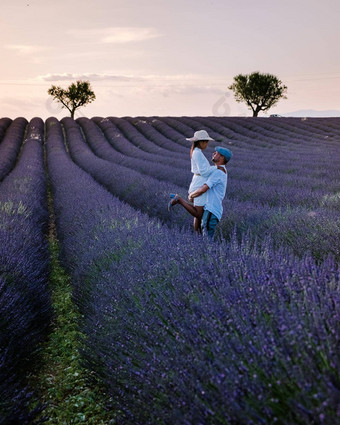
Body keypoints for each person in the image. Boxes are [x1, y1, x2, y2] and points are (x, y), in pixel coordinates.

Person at [169, 146, 232, 239]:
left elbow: (203, 189)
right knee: (201, 233)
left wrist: (191, 195)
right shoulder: (217, 170)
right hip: (209, 208)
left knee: (207, 240)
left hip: (212, 209)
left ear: (222, 157)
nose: (213, 154)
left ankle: (179, 200)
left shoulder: (218, 172)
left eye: (216, 153)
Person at [169, 129, 216, 233]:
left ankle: (197, 238)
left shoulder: (196, 152)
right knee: (199, 214)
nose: (207, 144)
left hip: (198, 182)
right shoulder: (197, 153)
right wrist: (216, 168)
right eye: (206, 142)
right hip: (199, 184)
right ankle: (179, 200)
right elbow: (204, 171)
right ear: (201, 142)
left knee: (198, 216)